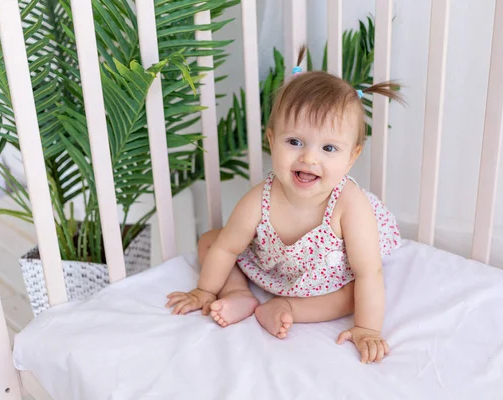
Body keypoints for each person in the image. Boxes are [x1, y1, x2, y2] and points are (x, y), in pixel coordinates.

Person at [166, 47, 403, 364]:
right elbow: (226, 249)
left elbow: (369, 272)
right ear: (271, 139)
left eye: (329, 147)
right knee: (211, 241)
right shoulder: (259, 199)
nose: (309, 158)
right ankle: (238, 294)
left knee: (353, 296)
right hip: (273, 265)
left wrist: (367, 328)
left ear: (352, 157)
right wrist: (206, 291)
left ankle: (288, 307)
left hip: (328, 276)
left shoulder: (350, 205)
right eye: (294, 142)